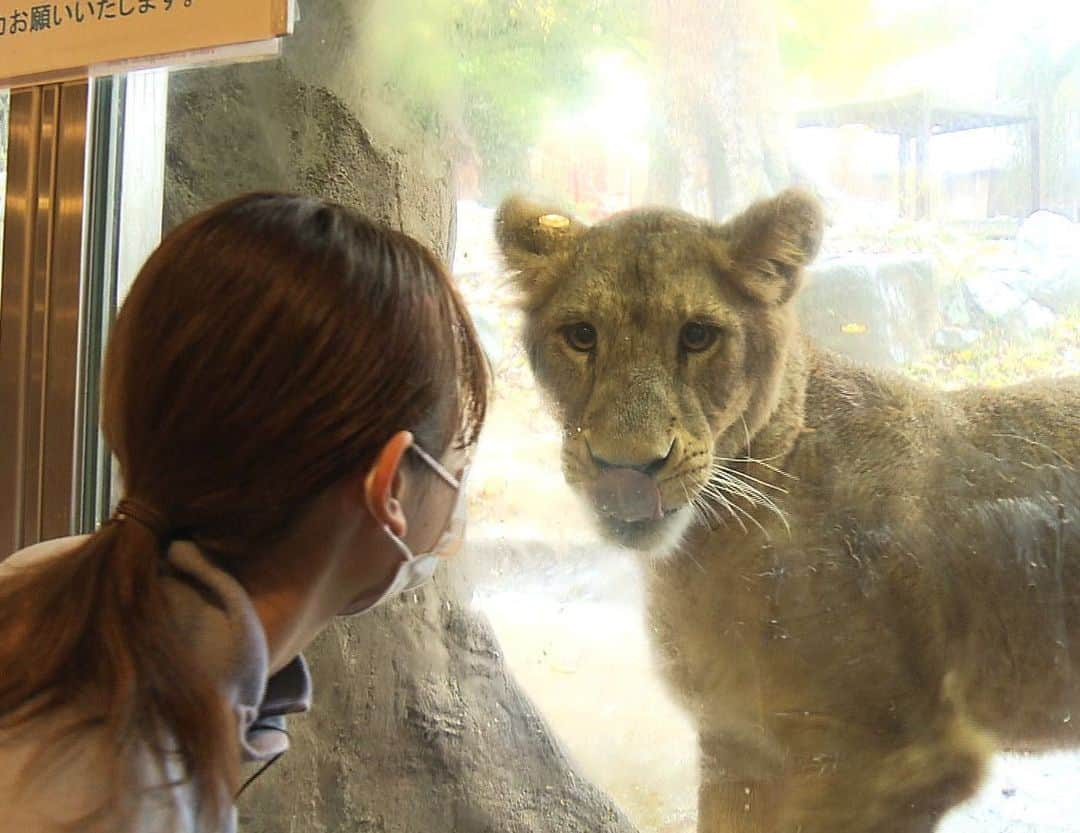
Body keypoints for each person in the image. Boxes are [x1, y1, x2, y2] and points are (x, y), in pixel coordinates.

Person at [0, 193, 490, 832]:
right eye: (456, 459)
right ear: (391, 483)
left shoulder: (38, 589)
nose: (458, 491)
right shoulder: (125, 800)